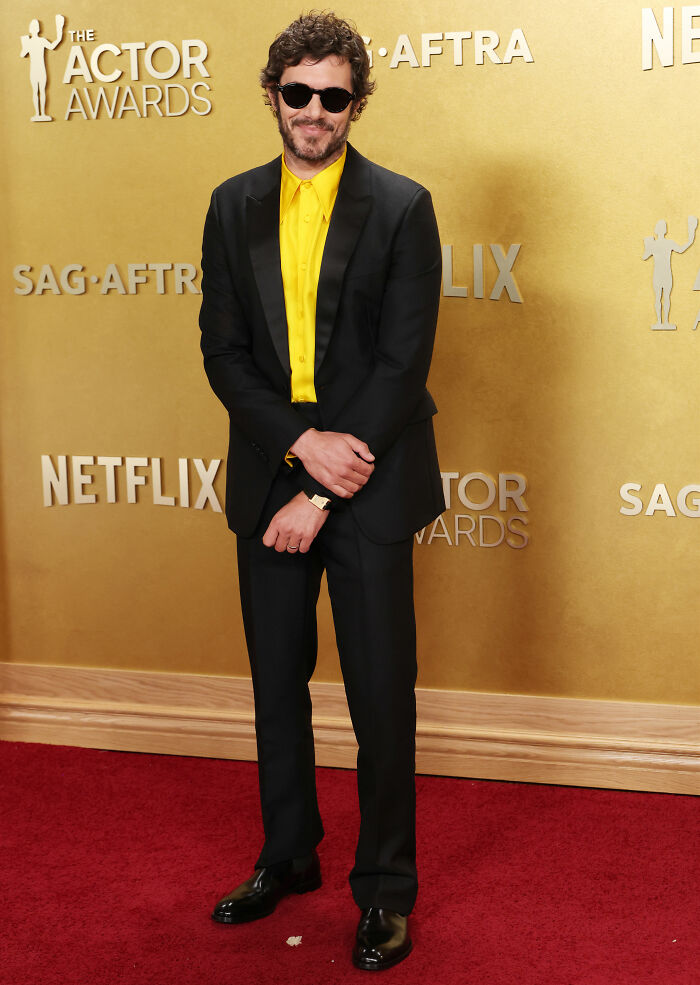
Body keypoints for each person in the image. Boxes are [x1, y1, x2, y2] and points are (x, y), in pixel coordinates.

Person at [199, 11, 444, 972]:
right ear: (273, 95)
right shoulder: (230, 204)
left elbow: (400, 363)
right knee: (275, 685)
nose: (313, 111)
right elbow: (223, 354)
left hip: (370, 488)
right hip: (271, 474)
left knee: (382, 695)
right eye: (297, 93)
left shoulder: (403, 205)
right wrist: (300, 454)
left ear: (357, 103)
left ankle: (385, 891)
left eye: (333, 96)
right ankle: (288, 855)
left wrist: (327, 488)